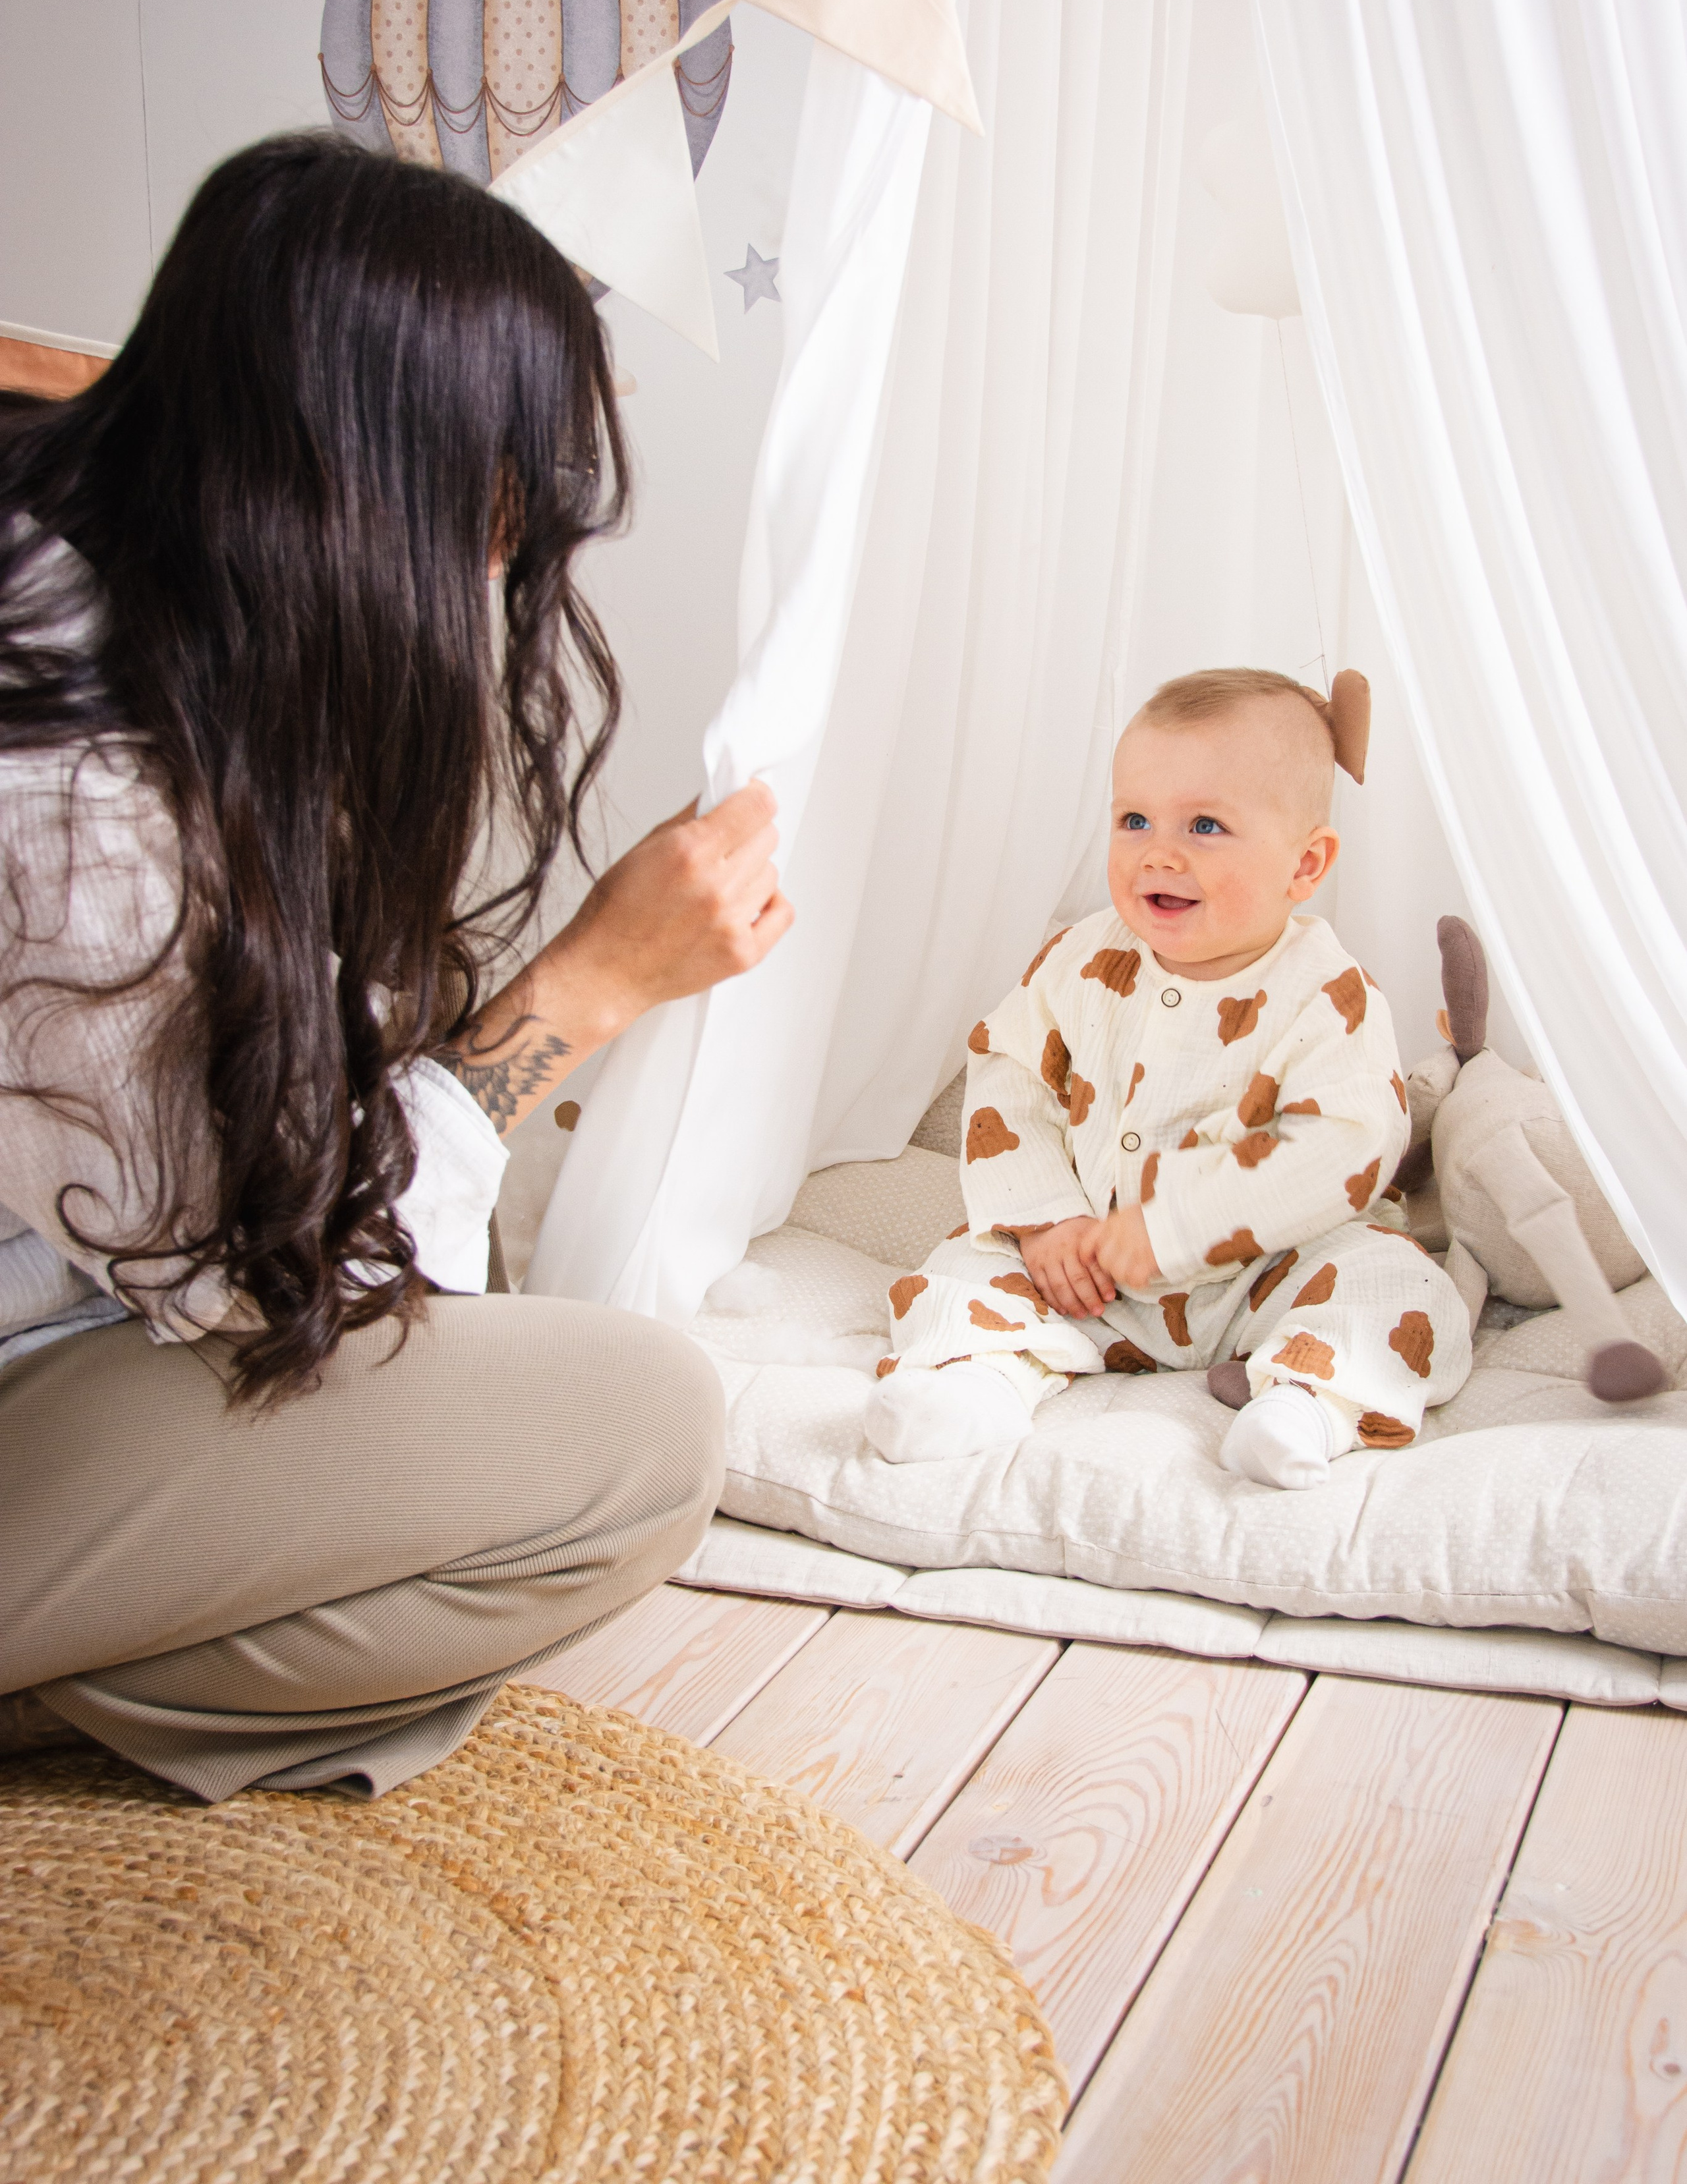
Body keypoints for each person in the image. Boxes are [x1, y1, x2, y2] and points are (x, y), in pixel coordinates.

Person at [0, 132, 791, 1801]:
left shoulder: (83, 588)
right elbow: (285, 1280)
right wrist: (585, 989)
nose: (500, 577)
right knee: (637, 1437)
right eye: (501, 517)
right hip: (104, 1319)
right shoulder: (93, 818)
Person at [865, 667, 1471, 1486]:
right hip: (1089, 1273)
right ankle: (980, 1381)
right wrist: (1045, 1223)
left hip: (1268, 1274)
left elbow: (1348, 1147)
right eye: (1135, 818)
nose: (1159, 852)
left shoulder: (1328, 993)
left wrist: (1176, 1227)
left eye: (1206, 826)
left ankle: (1306, 1405)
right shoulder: (1083, 956)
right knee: (962, 1265)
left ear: (1304, 867)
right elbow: (1010, 1071)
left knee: (1397, 1286)